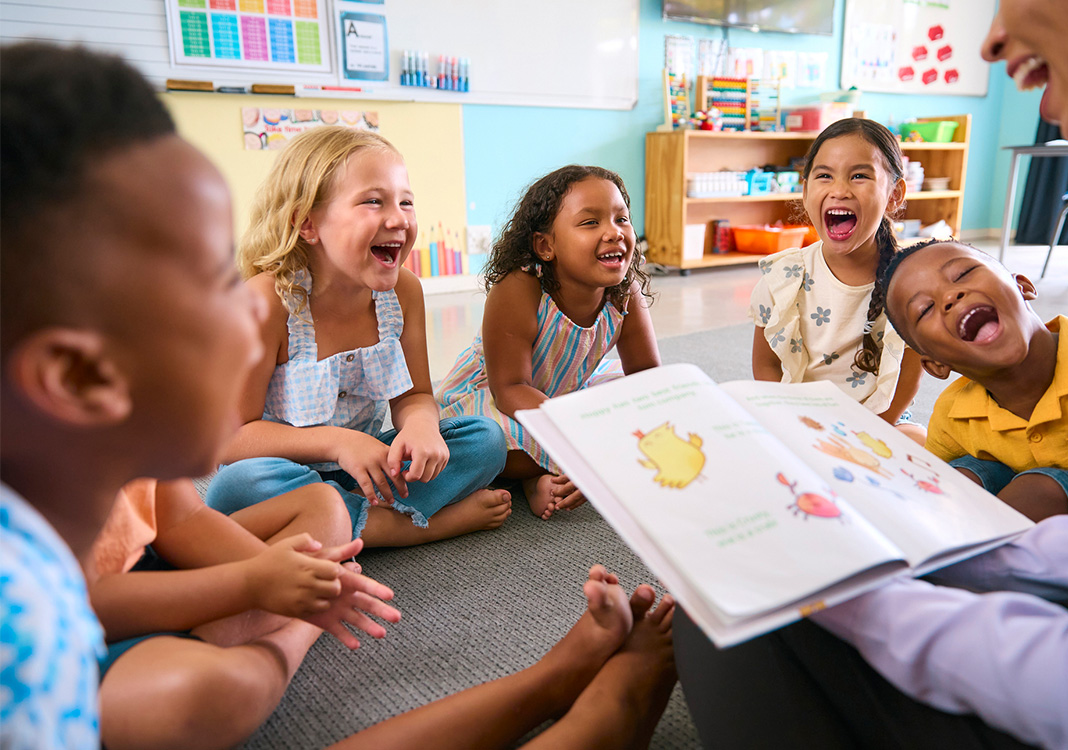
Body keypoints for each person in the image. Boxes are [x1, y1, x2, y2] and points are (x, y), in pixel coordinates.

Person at [0, 42, 679, 750]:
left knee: (450, 445)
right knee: (204, 686)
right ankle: (582, 707)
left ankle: (545, 681)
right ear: (74, 375)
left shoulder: (127, 464)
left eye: (405, 200)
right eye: (208, 285)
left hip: (349, 479)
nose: (242, 305)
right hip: (285, 471)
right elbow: (102, 591)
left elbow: (183, 520)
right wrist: (262, 587)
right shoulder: (23, 597)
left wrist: (273, 572)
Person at [676, 0, 1068, 746]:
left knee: (723, 618)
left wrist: (848, 595)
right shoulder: (797, 283)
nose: (989, 39)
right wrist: (984, 559)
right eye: (822, 174)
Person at [204, 127, 513, 548]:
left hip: (365, 467)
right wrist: (338, 442)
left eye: (406, 201)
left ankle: (336, 520)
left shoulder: (403, 292)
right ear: (307, 223)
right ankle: (405, 528)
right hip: (283, 470)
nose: (399, 218)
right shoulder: (266, 302)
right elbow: (230, 440)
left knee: (486, 440)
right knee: (236, 489)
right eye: (373, 201)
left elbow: (415, 395)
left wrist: (422, 425)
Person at [88, 477, 401, 749]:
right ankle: (300, 630)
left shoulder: (142, 420)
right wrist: (251, 585)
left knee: (325, 506)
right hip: (84, 638)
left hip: (148, 562)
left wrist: (283, 574)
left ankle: (218, 637)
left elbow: (182, 518)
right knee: (197, 697)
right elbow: (85, 606)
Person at [436, 165, 661, 519]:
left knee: (640, 406)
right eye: (591, 223)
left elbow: (647, 378)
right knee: (490, 442)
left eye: (622, 219)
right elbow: (510, 388)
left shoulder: (624, 291)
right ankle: (542, 473)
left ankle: (556, 468)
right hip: (505, 398)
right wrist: (583, 442)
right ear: (545, 245)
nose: (614, 233)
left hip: (570, 392)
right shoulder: (518, 288)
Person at [880, 239, 1068, 521]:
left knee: (1035, 490)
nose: (950, 297)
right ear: (937, 365)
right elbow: (933, 498)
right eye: (925, 309)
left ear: (1023, 286)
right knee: (957, 479)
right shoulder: (953, 419)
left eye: (963, 274)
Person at [748, 118, 926, 444]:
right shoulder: (784, 275)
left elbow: (907, 376)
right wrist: (788, 420)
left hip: (882, 417)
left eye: (859, 176)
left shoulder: (912, 279)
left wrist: (867, 433)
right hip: (801, 417)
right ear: (805, 190)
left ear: (894, 194)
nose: (839, 190)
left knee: (920, 442)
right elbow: (766, 364)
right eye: (824, 176)